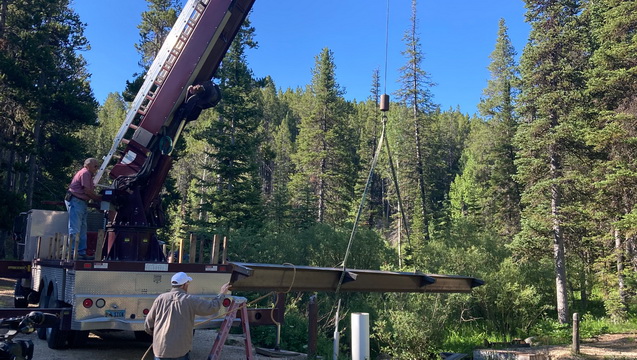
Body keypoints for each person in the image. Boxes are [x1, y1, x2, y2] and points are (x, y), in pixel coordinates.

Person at [144, 272, 232, 360]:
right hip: (180, 351)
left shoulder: (160, 299)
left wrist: (157, 335)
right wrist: (222, 293)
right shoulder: (189, 300)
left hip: (160, 351)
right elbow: (212, 307)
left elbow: (148, 324)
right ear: (184, 285)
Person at [65, 158, 101, 260]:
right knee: (75, 227)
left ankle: (80, 252)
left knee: (82, 228)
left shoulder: (88, 174)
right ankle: (73, 252)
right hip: (76, 201)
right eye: (95, 166)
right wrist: (99, 199)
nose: (97, 168)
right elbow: (87, 191)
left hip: (81, 202)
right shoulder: (85, 173)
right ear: (88, 165)